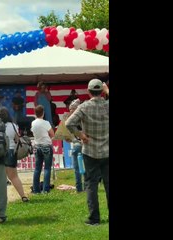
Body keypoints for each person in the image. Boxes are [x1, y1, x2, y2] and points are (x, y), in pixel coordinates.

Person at [65, 79, 109, 226]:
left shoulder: (84, 107)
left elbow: (68, 123)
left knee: (91, 184)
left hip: (90, 150)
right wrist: (107, 91)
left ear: (88, 92)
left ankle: (94, 218)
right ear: (101, 91)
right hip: (107, 150)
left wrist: (81, 135)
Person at [0, 107, 30, 202]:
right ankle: (23, 196)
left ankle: (0, 199)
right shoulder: (14, 125)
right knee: (14, 176)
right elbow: (17, 139)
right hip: (11, 151)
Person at [30, 105, 55, 194]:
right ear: (43, 113)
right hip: (46, 146)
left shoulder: (33, 123)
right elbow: (52, 134)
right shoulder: (46, 123)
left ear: (35, 113)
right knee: (47, 168)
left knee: (37, 169)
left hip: (37, 146)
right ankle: (45, 189)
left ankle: (36, 190)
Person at [63, 99, 84, 192]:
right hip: (82, 144)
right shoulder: (83, 118)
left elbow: (68, 137)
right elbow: (68, 138)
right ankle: (87, 187)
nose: (70, 111)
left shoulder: (72, 120)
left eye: (71, 109)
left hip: (78, 145)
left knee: (77, 169)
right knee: (85, 168)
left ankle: (79, 188)